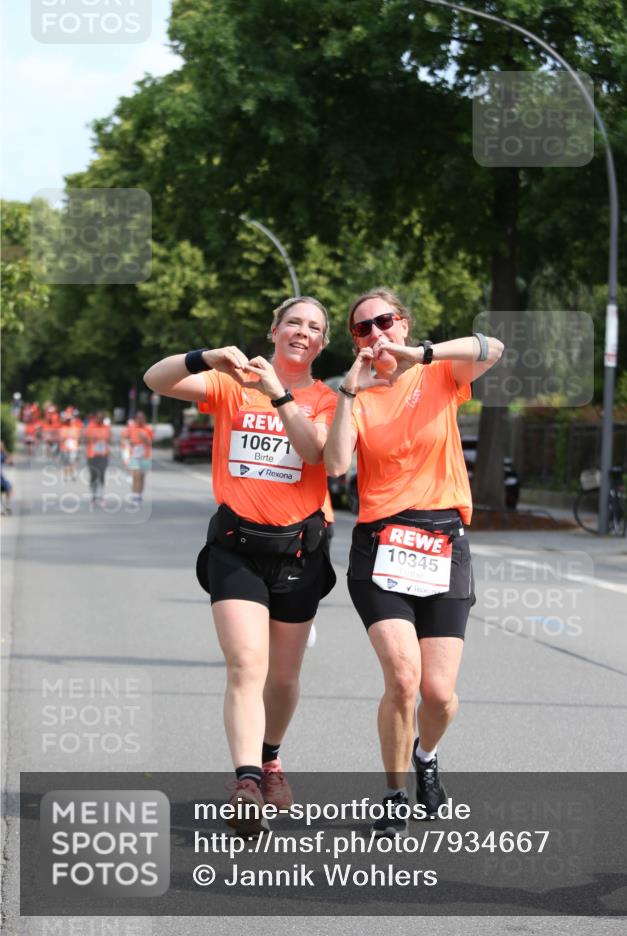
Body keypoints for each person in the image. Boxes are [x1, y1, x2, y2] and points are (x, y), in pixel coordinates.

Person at [143, 297, 337, 832]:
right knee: (246, 663)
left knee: (283, 676)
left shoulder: (327, 398)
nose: (303, 332)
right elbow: (155, 379)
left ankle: (271, 756)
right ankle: (247, 781)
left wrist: (277, 393)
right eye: (294, 322)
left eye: (315, 328)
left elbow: (315, 451)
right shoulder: (232, 384)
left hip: (299, 549)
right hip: (236, 545)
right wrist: (205, 356)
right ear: (273, 331)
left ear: (322, 343)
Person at [324, 289, 503, 836]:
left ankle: (426, 756)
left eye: (384, 321)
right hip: (380, 547)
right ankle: (395, 789)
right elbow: (334, 466)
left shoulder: (440, 373)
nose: (375, 333)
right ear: (354, 342)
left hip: (443, 543)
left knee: (439, 694)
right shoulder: (354, 394)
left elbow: (491, 345)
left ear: (402, 324)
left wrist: (421, 355)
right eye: (362, 329)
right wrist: (349, 393)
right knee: (404, 679)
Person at [121, 412, 154, 502]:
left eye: (142, 418)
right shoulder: (131, 428)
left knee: (142, 476)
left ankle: (139, 494)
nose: (140, 420)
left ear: (144, 419)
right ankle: (134, 494)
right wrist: (127, 442)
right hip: (134, 455)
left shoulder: (148, 429)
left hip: (145, 456)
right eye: (138, 418)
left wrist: (146, 439)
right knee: (136, 475)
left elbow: (151, 442)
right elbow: (124, 438)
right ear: (136, 419)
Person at [84, 412, 111, 503]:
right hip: (92, 454)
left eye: (102, 418)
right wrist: (92, 438)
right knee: (93, 474)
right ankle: (94, 493)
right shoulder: (91, 427)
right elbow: (85, 438)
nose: (100, 420)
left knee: (102, 472)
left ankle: (101, 493)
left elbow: (109, 439)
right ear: (96, 418)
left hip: (103, 454)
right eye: (98, 418)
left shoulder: (106, 428)